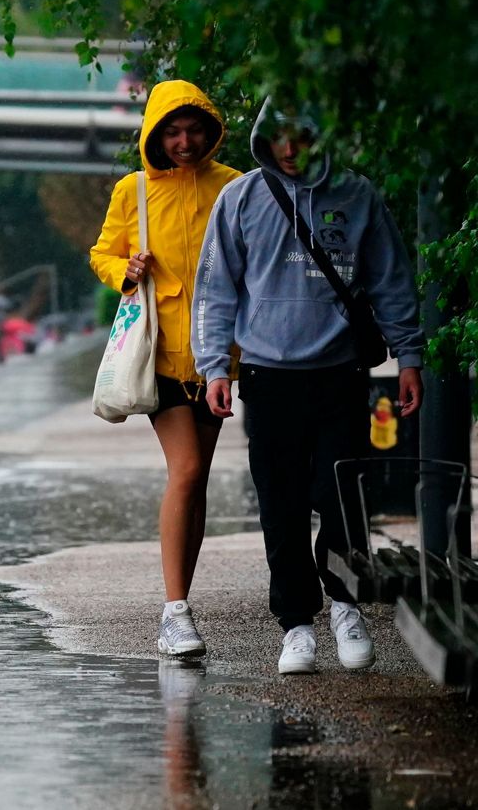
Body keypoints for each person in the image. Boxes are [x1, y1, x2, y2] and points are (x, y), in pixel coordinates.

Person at [192, 100, 424, 674]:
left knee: (341, 495)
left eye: (300, 138)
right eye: (277, 139)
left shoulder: (358, 195)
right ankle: (296, 624)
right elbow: (216, 288)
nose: (289, 150)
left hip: (340, 373)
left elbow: (390, 279)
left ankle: (346, 606)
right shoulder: (241, 199)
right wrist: (215, 366)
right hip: (268, 379)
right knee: (282, 503)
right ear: (264, 141)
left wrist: (411, 355)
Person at [89, 80, 242, 659]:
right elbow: (103, 252)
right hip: (160, 354)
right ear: (154, 134)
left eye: (193, 129)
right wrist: (125, 270)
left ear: (209, 128)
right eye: (171, 132)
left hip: (218, 358)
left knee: (196, 475)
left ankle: (181, 603)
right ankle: (174, 612)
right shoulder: (133, 190)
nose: (184, 141)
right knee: (186, 470)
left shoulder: (235, 187)